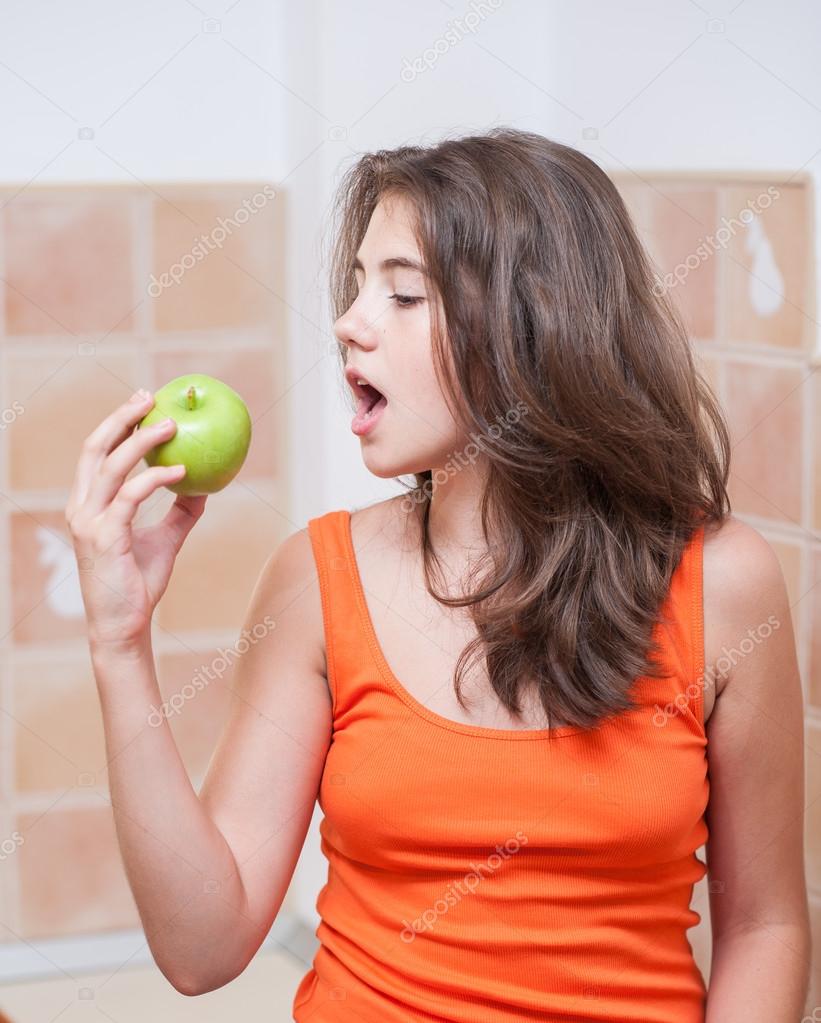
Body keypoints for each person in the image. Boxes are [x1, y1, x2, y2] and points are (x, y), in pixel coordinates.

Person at [66, 127, 810, 1021]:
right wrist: (119, 644)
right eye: (354, 286)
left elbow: (765, 923)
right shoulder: (316, 577)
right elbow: (201, 947)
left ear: (534, 321)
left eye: (402, 292)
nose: (349, 321)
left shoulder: (723, 584)